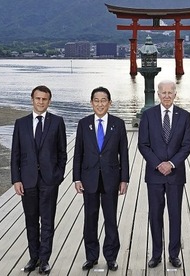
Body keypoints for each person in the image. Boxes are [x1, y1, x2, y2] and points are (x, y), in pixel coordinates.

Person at [11, 85, 67, 274]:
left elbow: (62, 153)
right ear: (32, 99)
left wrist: (58, 176)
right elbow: (15, 155)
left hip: (49, 180)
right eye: (38, 98)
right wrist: (16, 179)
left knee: (48, 221)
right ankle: (33, 257)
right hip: (28, 180)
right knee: (31, 221)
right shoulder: (21, 123)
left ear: (49, 101)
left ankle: (44, 260)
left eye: (44, 99)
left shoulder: (57, 122)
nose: (41, 102)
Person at [73, 87, 129, 272]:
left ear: (110, 103)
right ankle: (91, 256)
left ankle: (111, 257)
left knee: (111, 219)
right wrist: (76, 178)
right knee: (90, 218)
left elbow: (124, 154)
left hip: (111, 178)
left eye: (103, 100)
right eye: (96, 100)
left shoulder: (118, 124)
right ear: (91, 103)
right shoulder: (83, 124)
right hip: (89, 179)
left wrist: (124, 179)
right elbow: (78, 153)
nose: (100, 104)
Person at [138, 80, 190, 269]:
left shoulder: (185, 116)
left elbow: (187, 145)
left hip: (175, 174)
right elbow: (143, 144)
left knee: (175, 214)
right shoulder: (148, 115)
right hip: (154, 175)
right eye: (164, 93)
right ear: (158, 95)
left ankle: (173, 254)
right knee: (155, 214)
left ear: (175, 94)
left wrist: (171, 163)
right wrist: (158, 164)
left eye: (170, 92)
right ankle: (155, 254)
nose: (167, 96)